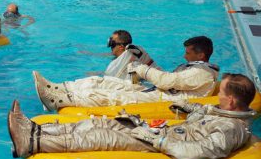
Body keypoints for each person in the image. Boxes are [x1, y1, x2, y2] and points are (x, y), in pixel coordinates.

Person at [8, 73, 256, 159]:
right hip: (161, 132)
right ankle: (35, 129)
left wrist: (157, 140)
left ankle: (30, 142)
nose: (217, 95)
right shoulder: (222, 113)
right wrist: (191, 109)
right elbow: (201, 121)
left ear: (232, 101)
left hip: (158, 143)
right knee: (100, 124)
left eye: (221, 93)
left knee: (100, 137)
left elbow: (196, 153)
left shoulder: (231, 128)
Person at [34, 36, 219, 110]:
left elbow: (167, 81)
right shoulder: (194, 68)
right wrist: (144, 62)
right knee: (103, 81)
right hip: (156, 92)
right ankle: (59, 88)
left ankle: (60, 100)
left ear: (201, 55)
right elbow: (169, 80)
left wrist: (141, 68)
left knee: (111, 96)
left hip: (162, 101)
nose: (184, 55)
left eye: (188, 52)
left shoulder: (202, 73)